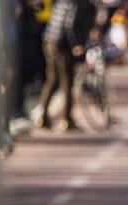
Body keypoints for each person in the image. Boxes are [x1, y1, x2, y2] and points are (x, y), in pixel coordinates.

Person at [30, 0, 95, 131]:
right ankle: (67, 120)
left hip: (49, 40)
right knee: (67, 81)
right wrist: (76, 44)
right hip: (61, 44)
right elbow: (69, 24)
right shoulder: (78, 3)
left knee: (52, 80)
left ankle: (42, 117)